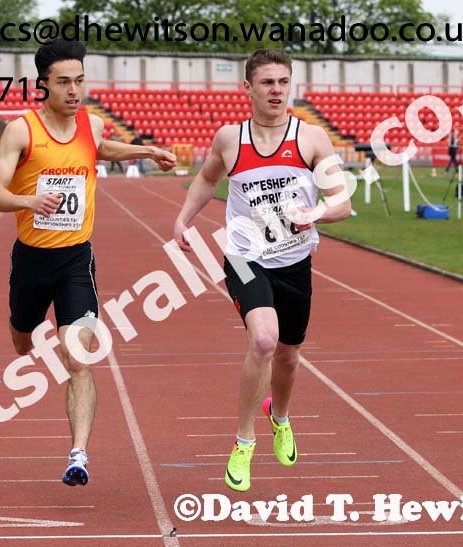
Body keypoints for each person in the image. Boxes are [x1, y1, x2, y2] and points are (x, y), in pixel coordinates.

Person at [0, 39, 176, 487]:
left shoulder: (91, 123)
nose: (74, 90)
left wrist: (147, 152)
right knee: (21, 341)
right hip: (31, 261)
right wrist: (30, 199)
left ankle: (78, 455)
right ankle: (28, 333)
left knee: (77, 356)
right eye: (64, 82)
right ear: (43, 85)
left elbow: (101, 149)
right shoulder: (21, 131)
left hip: (76, 260)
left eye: (79, 81)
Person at [173, 49, 352, 492]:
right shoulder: (230, 140)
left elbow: (342, 203)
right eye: (267, 82)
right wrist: (183, 218)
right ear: (248, 88)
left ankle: (281, 417)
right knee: (265, 340)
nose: (276, 90)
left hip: (294, 260)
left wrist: (315, 213)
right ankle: (243, 441)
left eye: (283, 82)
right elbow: (208, 178)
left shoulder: (311, 139)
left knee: (289, 356)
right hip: (243, 256)